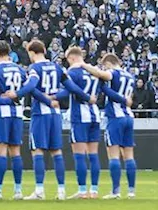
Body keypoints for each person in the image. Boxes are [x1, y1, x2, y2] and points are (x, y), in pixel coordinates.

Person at [0, 40, 37, 200]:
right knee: (15, 151)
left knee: (0, 151)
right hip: (17, 112)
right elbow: (29, 86)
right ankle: (18, 190)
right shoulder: (19, 69)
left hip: (2, 112)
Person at [81, 53, 137, 199]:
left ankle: (115, 191)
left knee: (114, 155)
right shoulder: (130, 76)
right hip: (129, 117)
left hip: (115, 117)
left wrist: (83, 64)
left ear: (109, 63)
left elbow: (100, 74)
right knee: (129, 155)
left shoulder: (113, 72)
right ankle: (131, 191)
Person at [23, 40, 68, 200]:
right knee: (56, 151)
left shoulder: (34, 68)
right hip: (55, 113)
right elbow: (70, 87)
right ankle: (61, 190)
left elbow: (32, 88)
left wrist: (46, 99)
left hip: (40, 113)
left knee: (38, 151)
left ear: (32, 52)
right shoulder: (57, 67)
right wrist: (55, 97)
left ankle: (39, 190)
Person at [64, 46, 103, 199]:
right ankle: (94, 190)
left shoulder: (72, 72)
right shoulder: (95, 73)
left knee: (79, 155)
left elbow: (68, 91)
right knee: (93, 155)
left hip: (80, 117)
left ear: (72, 58)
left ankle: (81, 191)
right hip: (95, 115)